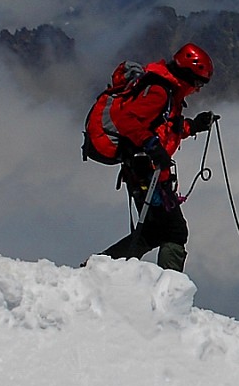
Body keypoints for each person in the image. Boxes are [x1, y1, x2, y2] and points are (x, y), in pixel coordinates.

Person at [93, 42, 217, 272]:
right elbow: (128, 121)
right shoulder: (160, 91)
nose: (198, 89)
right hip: (146, 174)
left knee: (153, 231)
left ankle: (99, 267)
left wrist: (193, 126)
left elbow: (162, 128)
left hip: (146, 172)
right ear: (187, 74)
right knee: (174, 232)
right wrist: (151, 146)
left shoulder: (169, 91)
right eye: (198, 83)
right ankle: (169, 287)